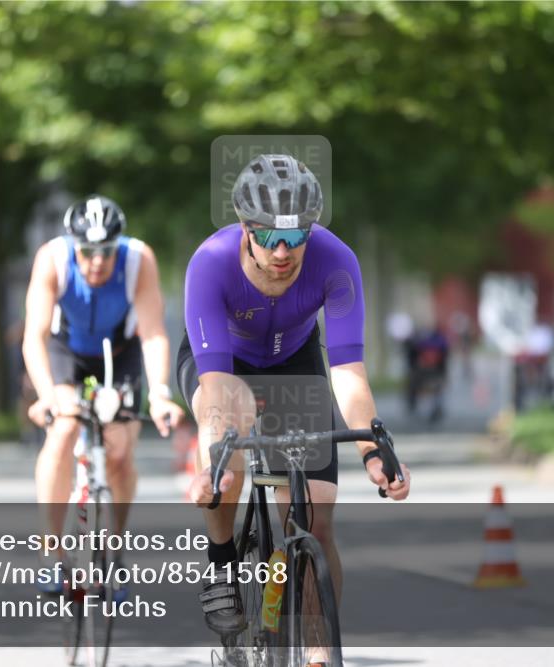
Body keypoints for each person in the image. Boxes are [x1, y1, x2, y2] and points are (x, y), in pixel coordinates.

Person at [177, 154, 411, 641]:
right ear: (244, 227)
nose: (282, 250)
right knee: (229, 449)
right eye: (267, 235)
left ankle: (316, 648)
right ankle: (222, 563)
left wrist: (372, 451)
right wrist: (213, 465)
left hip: (294, 358)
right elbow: (218, 390)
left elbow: (347, 373)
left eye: (296, 235)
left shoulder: (337, 260)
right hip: (224, 362)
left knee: (316, 516)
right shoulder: (211, 263)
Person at [22, 194, 185, 590]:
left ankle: (113, 552)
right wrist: (45, 395)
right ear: (74, 245)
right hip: (68, 353)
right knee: (61, 430)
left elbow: (153, 333)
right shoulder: (52, 258)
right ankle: (52, 552)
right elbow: (34, 337)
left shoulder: (138, 260)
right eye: (88, 251)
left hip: (120, 353)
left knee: (119, 451)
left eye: (106, 251)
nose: (97, 261)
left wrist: (160, 393)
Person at [404, 325, 450, 422]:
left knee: (434, 388)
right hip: (428, 370)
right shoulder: (440, 343)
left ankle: (415, 403)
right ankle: (432, 407)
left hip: (427, 370)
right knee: (436, 388)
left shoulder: (419, 342)